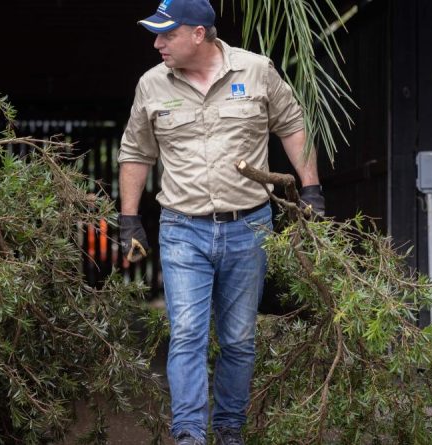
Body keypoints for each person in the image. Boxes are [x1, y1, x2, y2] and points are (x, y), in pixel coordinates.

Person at [117, 0, 325, 444]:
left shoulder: (257, 70)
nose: (157, 44)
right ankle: (190, 433)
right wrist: (128, 219)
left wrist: (311, 189)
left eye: (166, 35)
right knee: (188, 334)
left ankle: (230, 429)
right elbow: (136, 152)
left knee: (237, 339)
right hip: (182, 228)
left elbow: (292, 124)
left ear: (198, 34)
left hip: (249, 227)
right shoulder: (151, 85)